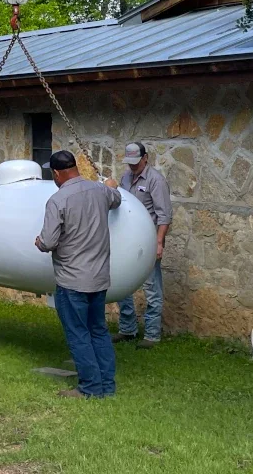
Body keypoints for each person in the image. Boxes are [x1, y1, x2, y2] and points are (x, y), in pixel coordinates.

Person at [34, 150, 122, 399]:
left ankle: (90, 388)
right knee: (98, 330)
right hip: (99, 277)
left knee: (78, 333)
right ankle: (107, 386)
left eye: (53, 174)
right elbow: (116, 198)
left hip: (72, 280)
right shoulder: (99, 191)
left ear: (58, 173)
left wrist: (39, 242)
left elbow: (49, 241)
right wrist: (111, 185)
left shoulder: (57, 200)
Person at [113, 142, 172, 349]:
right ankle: (128, 329)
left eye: (136, 163)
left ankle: (152, 335)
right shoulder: (125, 178)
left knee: (151, 288)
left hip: (148, 242)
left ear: (145, 158)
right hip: (127, 241)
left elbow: (164, 216)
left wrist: (159, 243)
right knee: (123, 284)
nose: (132, 167)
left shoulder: (156, 180)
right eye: (129, 163)